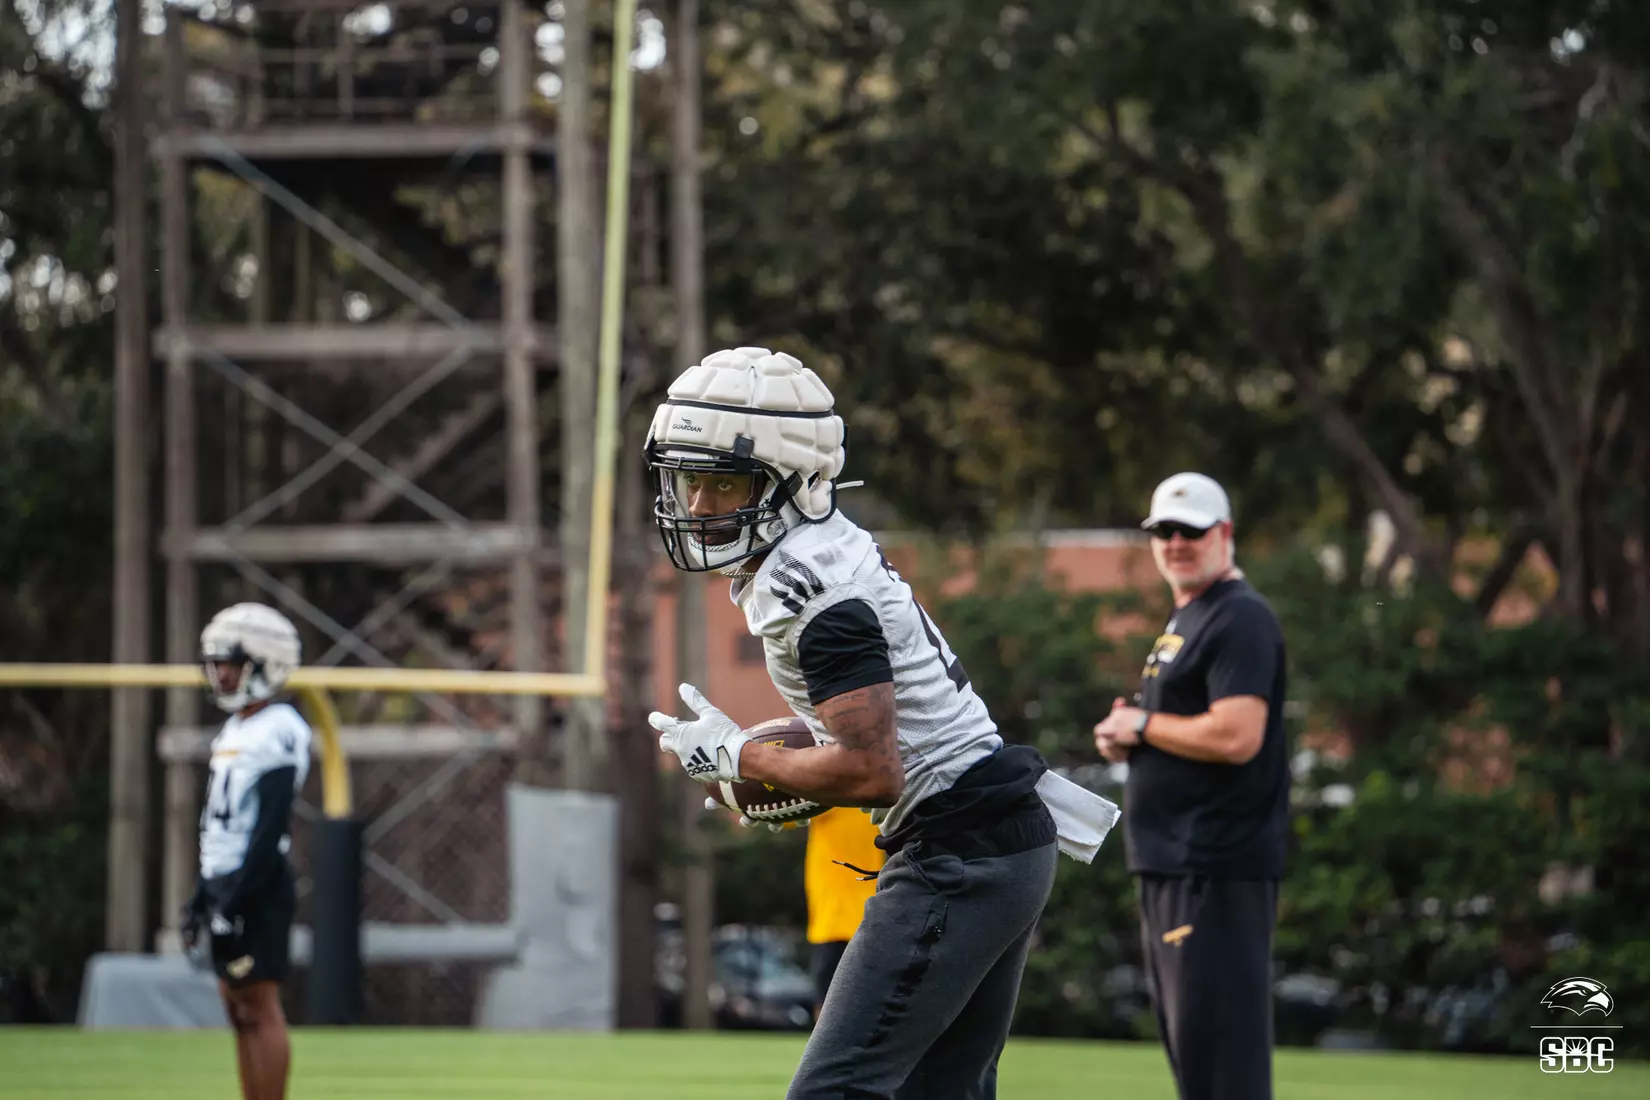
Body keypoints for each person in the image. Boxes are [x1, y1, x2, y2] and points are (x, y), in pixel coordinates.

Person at [646, 346, 1117, 1100]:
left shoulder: (811, 591)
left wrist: (741, 756)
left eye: (724, 482)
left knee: (835, 1090)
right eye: (689, 481)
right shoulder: (821, 549)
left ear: (793, 480)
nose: (699, 506)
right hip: (996, 840)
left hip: (961, 851)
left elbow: (873, 771)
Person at [1092, 472, 1290, 1100]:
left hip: (1213, 866)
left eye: (1191, 531)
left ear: (1225, 533)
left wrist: (1144, 725)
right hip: (1177, 865)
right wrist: (1129, 735)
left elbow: (1238, 736)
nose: (1176, 543)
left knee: (1221, 1066)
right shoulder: (1190, 616)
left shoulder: (1239, 617)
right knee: (1197, 1059)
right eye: (1164, 531)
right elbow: (1178, 728)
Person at [181, 602, 310, 1100]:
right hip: (224, 877)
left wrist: (235, 901)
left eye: (230, 664)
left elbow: (268, 826)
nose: (220, 675)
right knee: (236, 1009)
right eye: (216, 665)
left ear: (262, 666)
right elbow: (220, 828)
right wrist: (201, 897)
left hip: (256, 881)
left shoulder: (279, 726)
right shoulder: (236, 728)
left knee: (259, 1004)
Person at [803, 806, 886, 1017]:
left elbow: (781, 811)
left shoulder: (826, 797)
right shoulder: (877, 799)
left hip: (835, 919)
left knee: (828, 1002)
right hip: (867, 915)